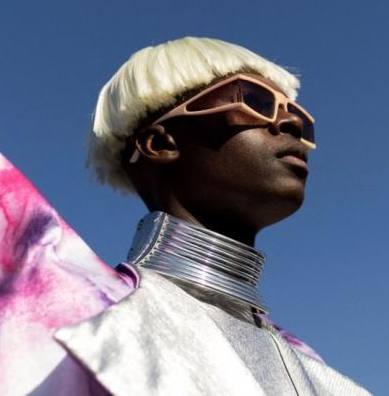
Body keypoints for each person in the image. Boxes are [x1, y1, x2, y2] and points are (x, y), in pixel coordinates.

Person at [67, 36, 372, 395]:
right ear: (161, 144)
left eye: (300, 119)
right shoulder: (81, 322)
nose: (291, 123)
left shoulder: (320, 374)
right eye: (254, 100)